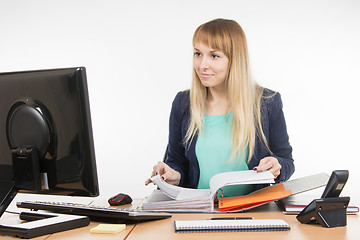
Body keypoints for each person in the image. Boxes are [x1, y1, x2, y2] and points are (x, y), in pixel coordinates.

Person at [145, 18, 294, 196]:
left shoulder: (267, 102)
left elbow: (286, 161)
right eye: (198, 53)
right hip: (199, 210)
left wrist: (277, 166)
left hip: (253, 210)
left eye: (214, 56)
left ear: (235, 60)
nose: (202, 65)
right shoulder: (183, 103)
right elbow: (177, 162)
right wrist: (172, 175)